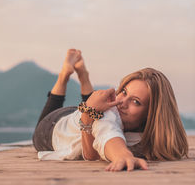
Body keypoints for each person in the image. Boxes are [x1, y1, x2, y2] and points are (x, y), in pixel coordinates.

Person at [32, 49, 188, 172]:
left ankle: (84, 78)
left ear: (152, 114)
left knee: (95, 107)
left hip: (82, 113)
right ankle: (63, 76)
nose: (121, 102)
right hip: (52, 126)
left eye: (135, 101)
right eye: (124, 92)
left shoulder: (150, 130)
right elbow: (99, 144)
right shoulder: (110, 112)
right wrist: (123, 155)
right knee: (102, 111)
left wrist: (88, 113)